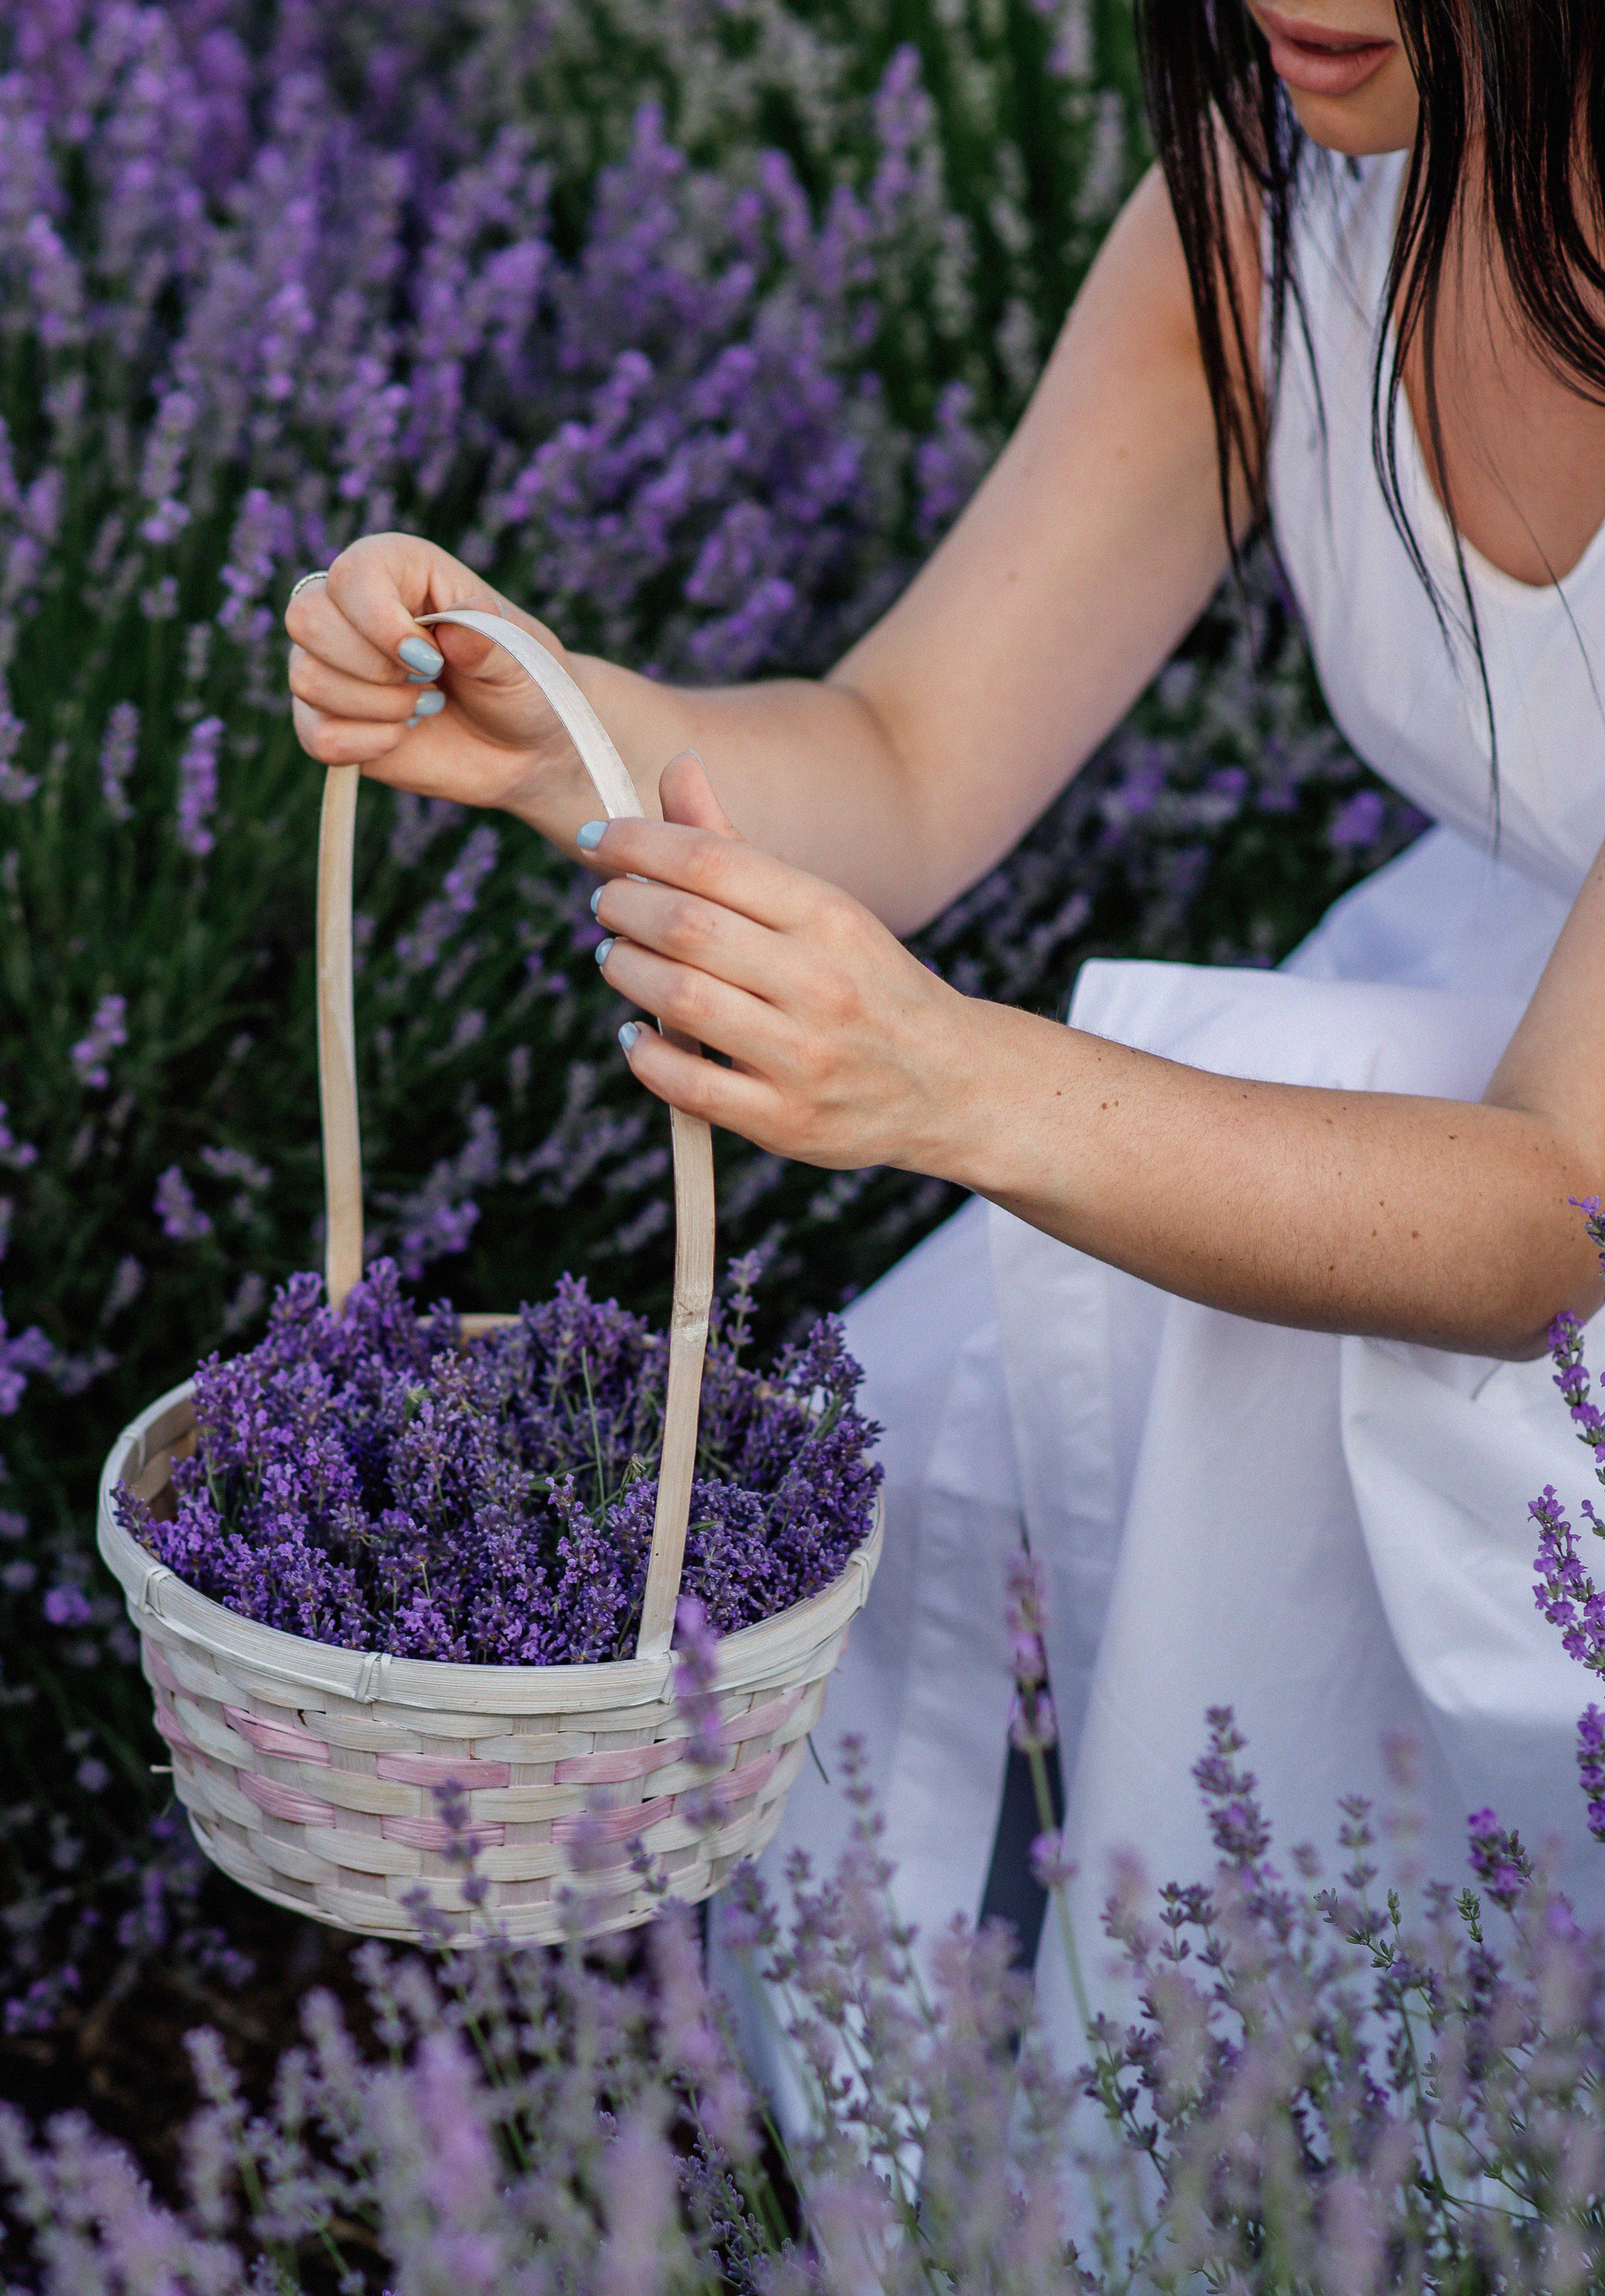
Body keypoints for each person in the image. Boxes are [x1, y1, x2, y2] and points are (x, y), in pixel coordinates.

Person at [286, 0, 1605, 2116]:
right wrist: (567, 730)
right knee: (877, 1482)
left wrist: (946, 1083)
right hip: (1519, 1000)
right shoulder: (1274, 213)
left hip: (1556, 1130)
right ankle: (954, 2272)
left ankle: (1288, 2279)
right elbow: (903, 756)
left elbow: (1551, 1215)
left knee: (1266, 1368)